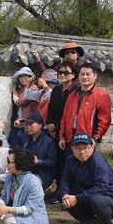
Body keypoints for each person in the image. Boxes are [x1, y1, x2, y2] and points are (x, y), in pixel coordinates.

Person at [60, 132, 113, 224]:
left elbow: (101, 188)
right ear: (72, 148)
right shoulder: (71, 160)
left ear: (92, 147)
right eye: (78, 148)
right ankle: (89, 220)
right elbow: (65, 179)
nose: (82, 152)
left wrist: (77, 198)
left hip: (112, 201)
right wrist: (65, 194)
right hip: (90, 197)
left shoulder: (97, 161)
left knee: (97, 200)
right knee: (62, 196)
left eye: (85, 148)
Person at [0, 149, 51, 224]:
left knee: (8, 219)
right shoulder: (10, 177)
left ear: (19, 164)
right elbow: (4, 196)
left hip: (33, 217)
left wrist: (8, 209)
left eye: (9, 162)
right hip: (16, 212)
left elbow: (29, 209)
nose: (7, 164)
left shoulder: (33, 182)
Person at [58, 62, 112, 154]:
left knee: (86, 165)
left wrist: (96, 138)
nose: (85, 77)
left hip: (87, 139)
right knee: (70, 164)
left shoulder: (101, 95)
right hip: (70, 138)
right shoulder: (72, 94)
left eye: (88, 74)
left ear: (95, 76)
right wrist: (62, 137)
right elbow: (65, 117)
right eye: (82, 74)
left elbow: (104, 120)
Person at [45, 61, 78, 203]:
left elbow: (70, 114)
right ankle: (59, 187)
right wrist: (50, 124)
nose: (63, 75)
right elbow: (50, 109)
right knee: (57, 161)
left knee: (67, 161)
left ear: (73, 75)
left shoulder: (76, 91)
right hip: (54, 130)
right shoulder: (57, 90)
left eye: (66, 72)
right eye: (61, 72)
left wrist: (57, 126)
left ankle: (66, 190)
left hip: (67, 130)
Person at [20, 112, 57, 190]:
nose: (27, 127)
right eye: (26, 124)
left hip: (40, 173)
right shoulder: (23, 137)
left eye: (30, 124)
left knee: (28, 184)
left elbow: (53, 161)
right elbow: (14, 146)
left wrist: (38, 162)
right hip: (24, 171)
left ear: (40, 125)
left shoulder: (48, 141)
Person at [9, 67, 39, 147]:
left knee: (25, 146)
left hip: (28, 123)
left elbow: (22, 102)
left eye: (26, 76)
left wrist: (15, 95)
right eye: (21, 77)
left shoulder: (33, 87)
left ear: (31, 77)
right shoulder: (21, 89)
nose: (23, 79)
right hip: (20, 122)